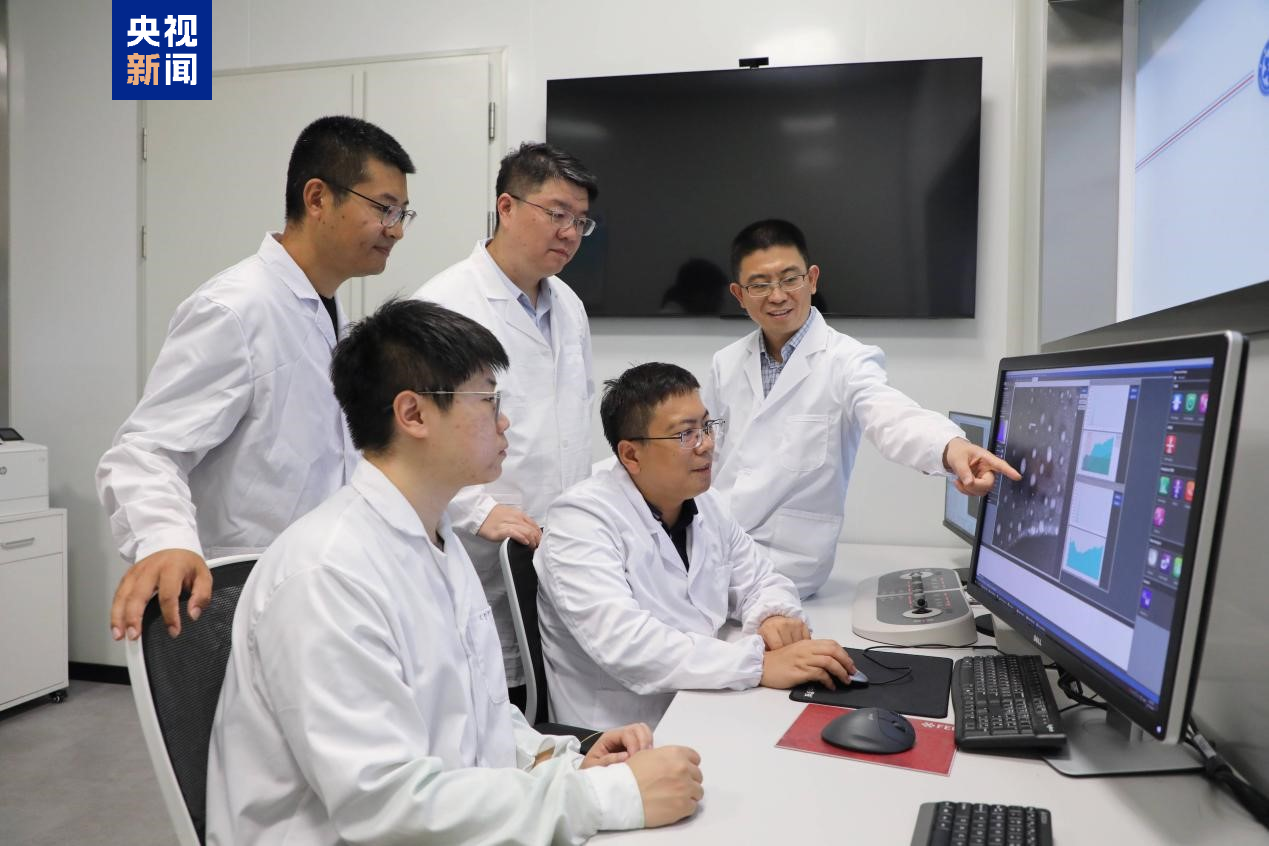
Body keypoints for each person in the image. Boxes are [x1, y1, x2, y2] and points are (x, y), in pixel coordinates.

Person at [206, 300, 703, 845]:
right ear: (414, 414)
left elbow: (475, 715)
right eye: (488, 400)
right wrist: (607, 796)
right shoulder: (327, 575)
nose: (504, 420)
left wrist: (559, 757)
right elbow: (385, 806)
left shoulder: (435, 537)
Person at [97, 116, 415, 640]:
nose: (396, 229)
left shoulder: (325, 309)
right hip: (239, 601)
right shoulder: (235, 309)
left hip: (314, 594)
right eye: (384, 208)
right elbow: (145, 451)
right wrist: (166, 541)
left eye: (402, 213)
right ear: (318, 198)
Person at [703, 219, 1021, 598]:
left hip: (784, 561)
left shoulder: (847, 360)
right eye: (759, 285)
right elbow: (709, 455)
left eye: (790, 279)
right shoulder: (725, 363)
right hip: (713, 537)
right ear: (739, 294)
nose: (777, 296)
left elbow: (890, 416)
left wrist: (952, 448)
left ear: (812, 279)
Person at [535, 362, 859, 730]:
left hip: (705, 697)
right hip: (628, 729)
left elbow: (759, 578)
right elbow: (626, 644)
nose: (706, 445)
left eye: (707, 426)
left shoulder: (705, 501)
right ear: (631, 455)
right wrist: (758, 664)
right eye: (685, 434)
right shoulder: (580, 520)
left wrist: (774, 615)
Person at [413, 141, 598, 705]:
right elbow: (410, 440)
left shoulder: (569, 305)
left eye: (581, 221)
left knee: (550, 697)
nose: (569, 232)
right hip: (477, 549)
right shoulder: (445, 304)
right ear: (507, 207)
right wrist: (477, 510)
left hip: (556, 549)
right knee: (491, 700)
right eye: (557, 213)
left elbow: (571, 424)